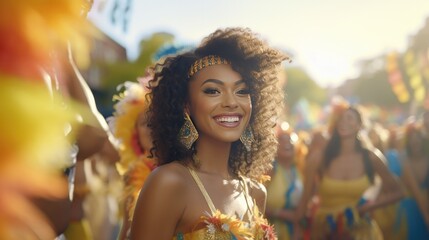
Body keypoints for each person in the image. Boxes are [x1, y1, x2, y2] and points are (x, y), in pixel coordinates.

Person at [129, 27, 288, 240]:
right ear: (186, 105)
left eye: (242, 91)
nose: (231, 102)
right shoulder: (169, 183)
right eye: (213, 90)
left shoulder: (255, 192)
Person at [297, 105, 403, 240]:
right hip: (325, 232)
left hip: (362, 232)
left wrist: (369, 207)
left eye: (350, 118)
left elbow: (398, 192)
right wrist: (298, 230)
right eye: (341, 118)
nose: (344, 121)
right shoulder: (321, 157)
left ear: (359, 125)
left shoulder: (371, 157)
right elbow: (305, 200)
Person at [108, 80, 156, 240]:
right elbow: (127, 230)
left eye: (154, 121)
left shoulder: (186, 167)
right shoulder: (133, 174)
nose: (150, 127)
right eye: (144, 123)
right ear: (135, 133)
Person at [265, 122, 306, 240]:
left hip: (297, 232)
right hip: (273, 232)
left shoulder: (300, 169)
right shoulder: (269, 170)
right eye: (281, 140)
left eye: (290, 139)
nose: (287, 142)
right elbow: (256, 201)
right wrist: (281, 214)